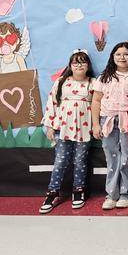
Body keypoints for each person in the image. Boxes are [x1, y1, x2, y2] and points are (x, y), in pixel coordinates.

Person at [39, 50, 96, 213]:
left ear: (88, 65)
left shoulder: (93, 82)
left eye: (83, 62)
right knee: (60, 161)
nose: (79, 65)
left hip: (84, 128)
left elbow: (97, 104)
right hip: (63, 127)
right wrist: (50, 125)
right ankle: (52, 192)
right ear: (70, 66)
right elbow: (52, 102)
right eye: (75, 62)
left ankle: (78, 191)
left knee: (80, 160)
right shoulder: (61, 81)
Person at [91, 42, 128, 210]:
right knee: (112, 157)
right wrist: (96, 125)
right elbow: (96, 101)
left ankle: (127, 193)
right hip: (108, 119)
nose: (122, 57)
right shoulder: (104, 77)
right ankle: (112, 194)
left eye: (126, 54)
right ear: (112, 57)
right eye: (118, 54)